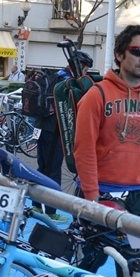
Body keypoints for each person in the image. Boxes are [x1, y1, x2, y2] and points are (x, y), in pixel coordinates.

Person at [74, 24, 140, 275]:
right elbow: (84, 150)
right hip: (99, 194)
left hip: (138, 199)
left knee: (137, 272)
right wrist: (92, 198)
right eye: (137, 51)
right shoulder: (96, 95)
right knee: (85, 269)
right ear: (119, 54)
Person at [32, 51, 94, 223]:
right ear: (79, 65)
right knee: (53, 170)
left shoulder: (55, 76)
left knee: (42, 167)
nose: (85, 73)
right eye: (85, 69)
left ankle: (36, 204)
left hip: (41, 126)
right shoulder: (68, 81)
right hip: (55, 129)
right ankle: (51, 211)